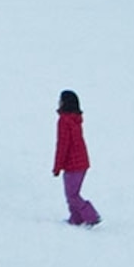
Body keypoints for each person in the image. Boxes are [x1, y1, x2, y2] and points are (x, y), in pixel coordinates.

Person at [52, 90, 101, 227]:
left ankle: (91, 215)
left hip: (73, 164)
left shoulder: (64, 121)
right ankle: (76, 218)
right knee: (71, 194)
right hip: (81, 162)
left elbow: (63, 144)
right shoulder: (75, 119)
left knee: (72, 195)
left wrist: (57, 166)